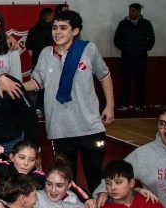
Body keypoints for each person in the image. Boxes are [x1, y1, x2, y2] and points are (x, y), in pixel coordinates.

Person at [23, 10, 114, 192]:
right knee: (66, 178)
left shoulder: (88, 49)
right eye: (55, 28)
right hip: (59, 128)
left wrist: (110, 105)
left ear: (75, 31)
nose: (57, 32)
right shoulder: (46, 54)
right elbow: (36, 82)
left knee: (95, 175)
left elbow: (104, 75)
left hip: (89, 126)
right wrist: (13, 86)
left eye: (63, 28)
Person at [114, 2, 155, 112]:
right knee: (125, 81)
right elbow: (117, 40)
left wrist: (144, 49)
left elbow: (151, 39)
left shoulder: (146, 24)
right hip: (127, 57)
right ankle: (123, 104)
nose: (131, 13)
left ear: (139, 12)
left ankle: (140, 105)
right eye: (130, 11)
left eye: (133, 11)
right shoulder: (123, 24)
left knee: (140, 82)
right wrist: (126, 49)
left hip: (141, 57)